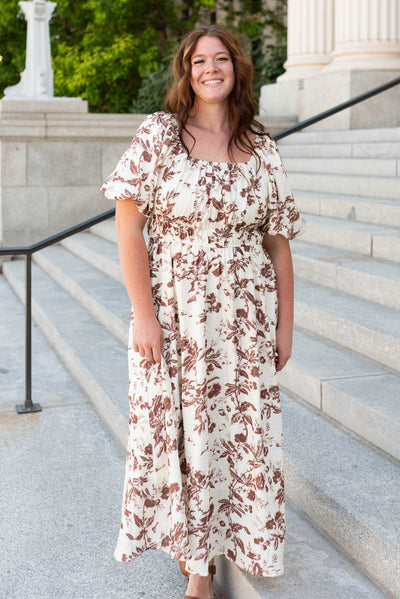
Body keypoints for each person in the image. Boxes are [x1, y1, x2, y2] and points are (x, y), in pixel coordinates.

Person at [101, 24, 304, 599]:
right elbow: (127, 221)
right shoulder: (161, 133)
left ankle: (233, 542)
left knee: (236, 435)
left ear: (237, 69)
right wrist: (144, 314)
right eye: (198, 62)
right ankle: (198, 568)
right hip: (176, 311)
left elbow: (278, 242)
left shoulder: (261, 146)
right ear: (186, 73)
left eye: (220, 59)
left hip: (245, 319)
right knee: (183, 435)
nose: (210, 69)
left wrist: (286, 325)